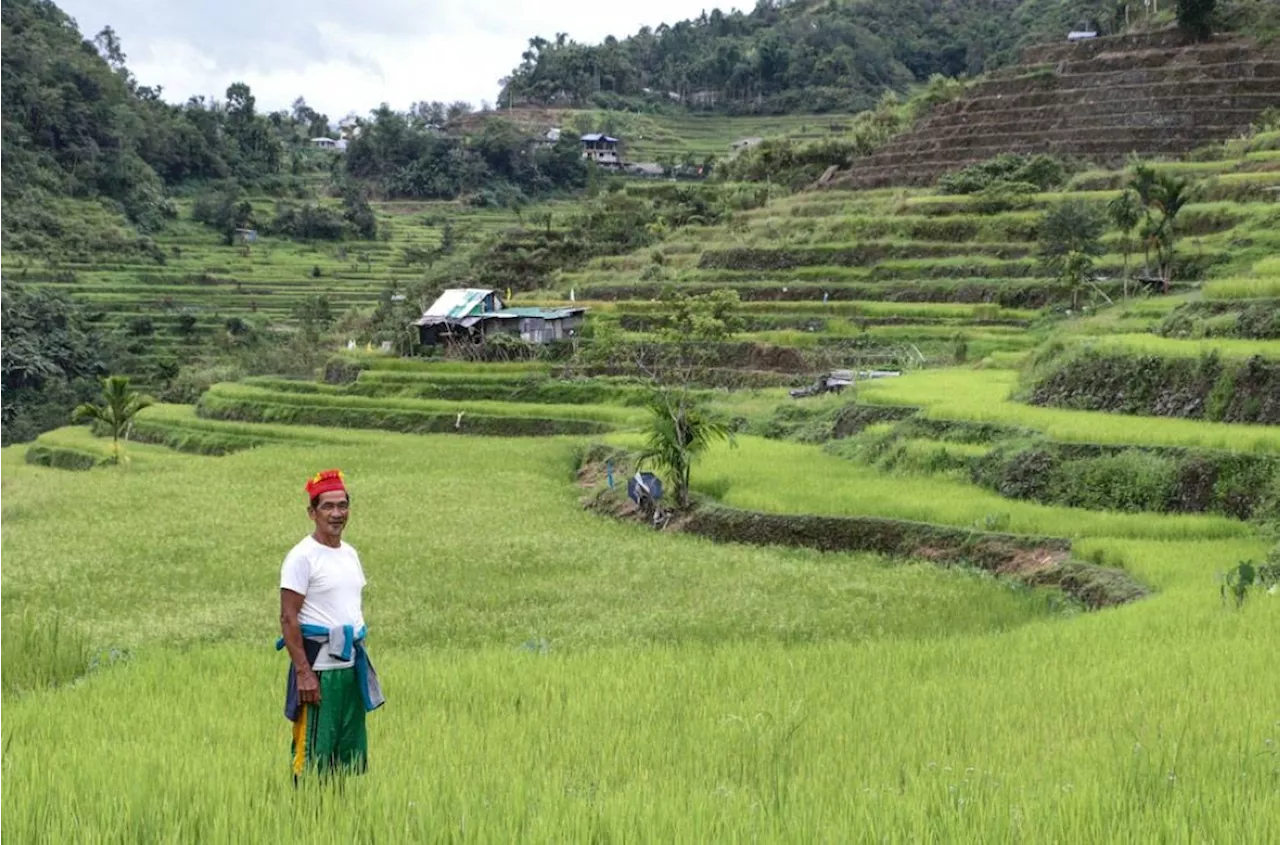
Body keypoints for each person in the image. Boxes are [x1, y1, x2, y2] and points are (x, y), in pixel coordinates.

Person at [277, 469, 384, 781]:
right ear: (312, 512)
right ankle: (305, 818)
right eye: (328, 506)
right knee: (313, 753)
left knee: (347, 754)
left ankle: (337, 818)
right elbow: (288, 617)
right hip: (318, 670)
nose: (337, 514)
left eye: (343, 505)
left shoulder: (350, 554)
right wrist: (304, 674)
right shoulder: (302, 557)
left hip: (350, 668)